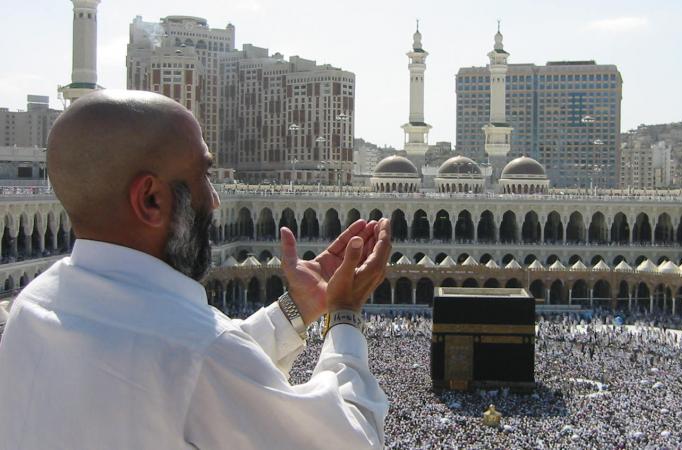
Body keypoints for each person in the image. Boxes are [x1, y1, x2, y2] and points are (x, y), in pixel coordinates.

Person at [0, 90, 392, 449]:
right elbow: (352, 441)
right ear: (150, 199)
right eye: (203, 175)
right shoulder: (197, 354)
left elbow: (183, 373)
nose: (217, 199)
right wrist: (344, 314)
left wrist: (297, 308)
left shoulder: (30, 307)